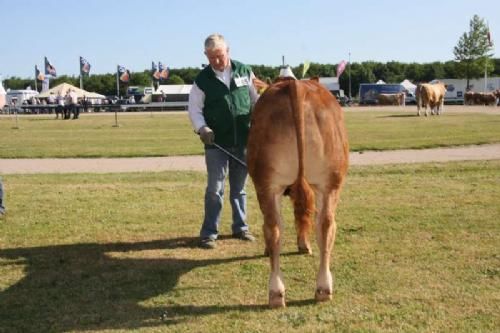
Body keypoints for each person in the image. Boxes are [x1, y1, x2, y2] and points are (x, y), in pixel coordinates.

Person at [188, 33, 259, 249]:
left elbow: (256, 100)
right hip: (216, 143)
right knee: (215, 188)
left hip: (243, 140)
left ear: (228, 51)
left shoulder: (245, 71)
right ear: (205, 55)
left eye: (219, 56)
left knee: (239, 189)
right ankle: (209, 233)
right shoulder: (202, 80)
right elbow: (194, 109)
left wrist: (259, 124)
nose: (217, 61)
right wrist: (202, 128)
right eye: (211, 58)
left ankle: (241, 228)